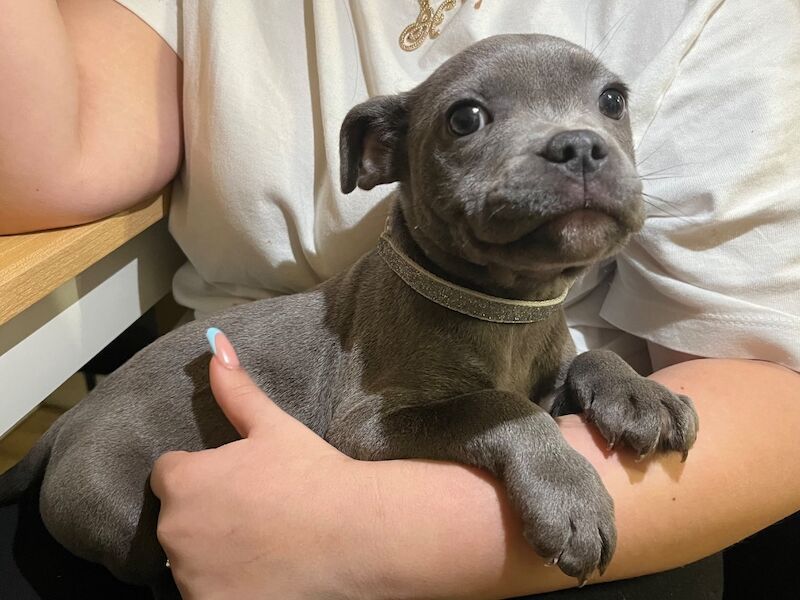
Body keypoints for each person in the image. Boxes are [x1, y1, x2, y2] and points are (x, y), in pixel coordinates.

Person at [0, 1, 798, 598]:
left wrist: (597, 375)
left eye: (609, 105)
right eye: (471, 120)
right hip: (130, 486)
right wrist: (517, 425)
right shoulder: (402, 306)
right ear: (382, 154)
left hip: (571, 525)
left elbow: (760, 383)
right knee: (93, 513)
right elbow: (371, 419)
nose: (578, 141)